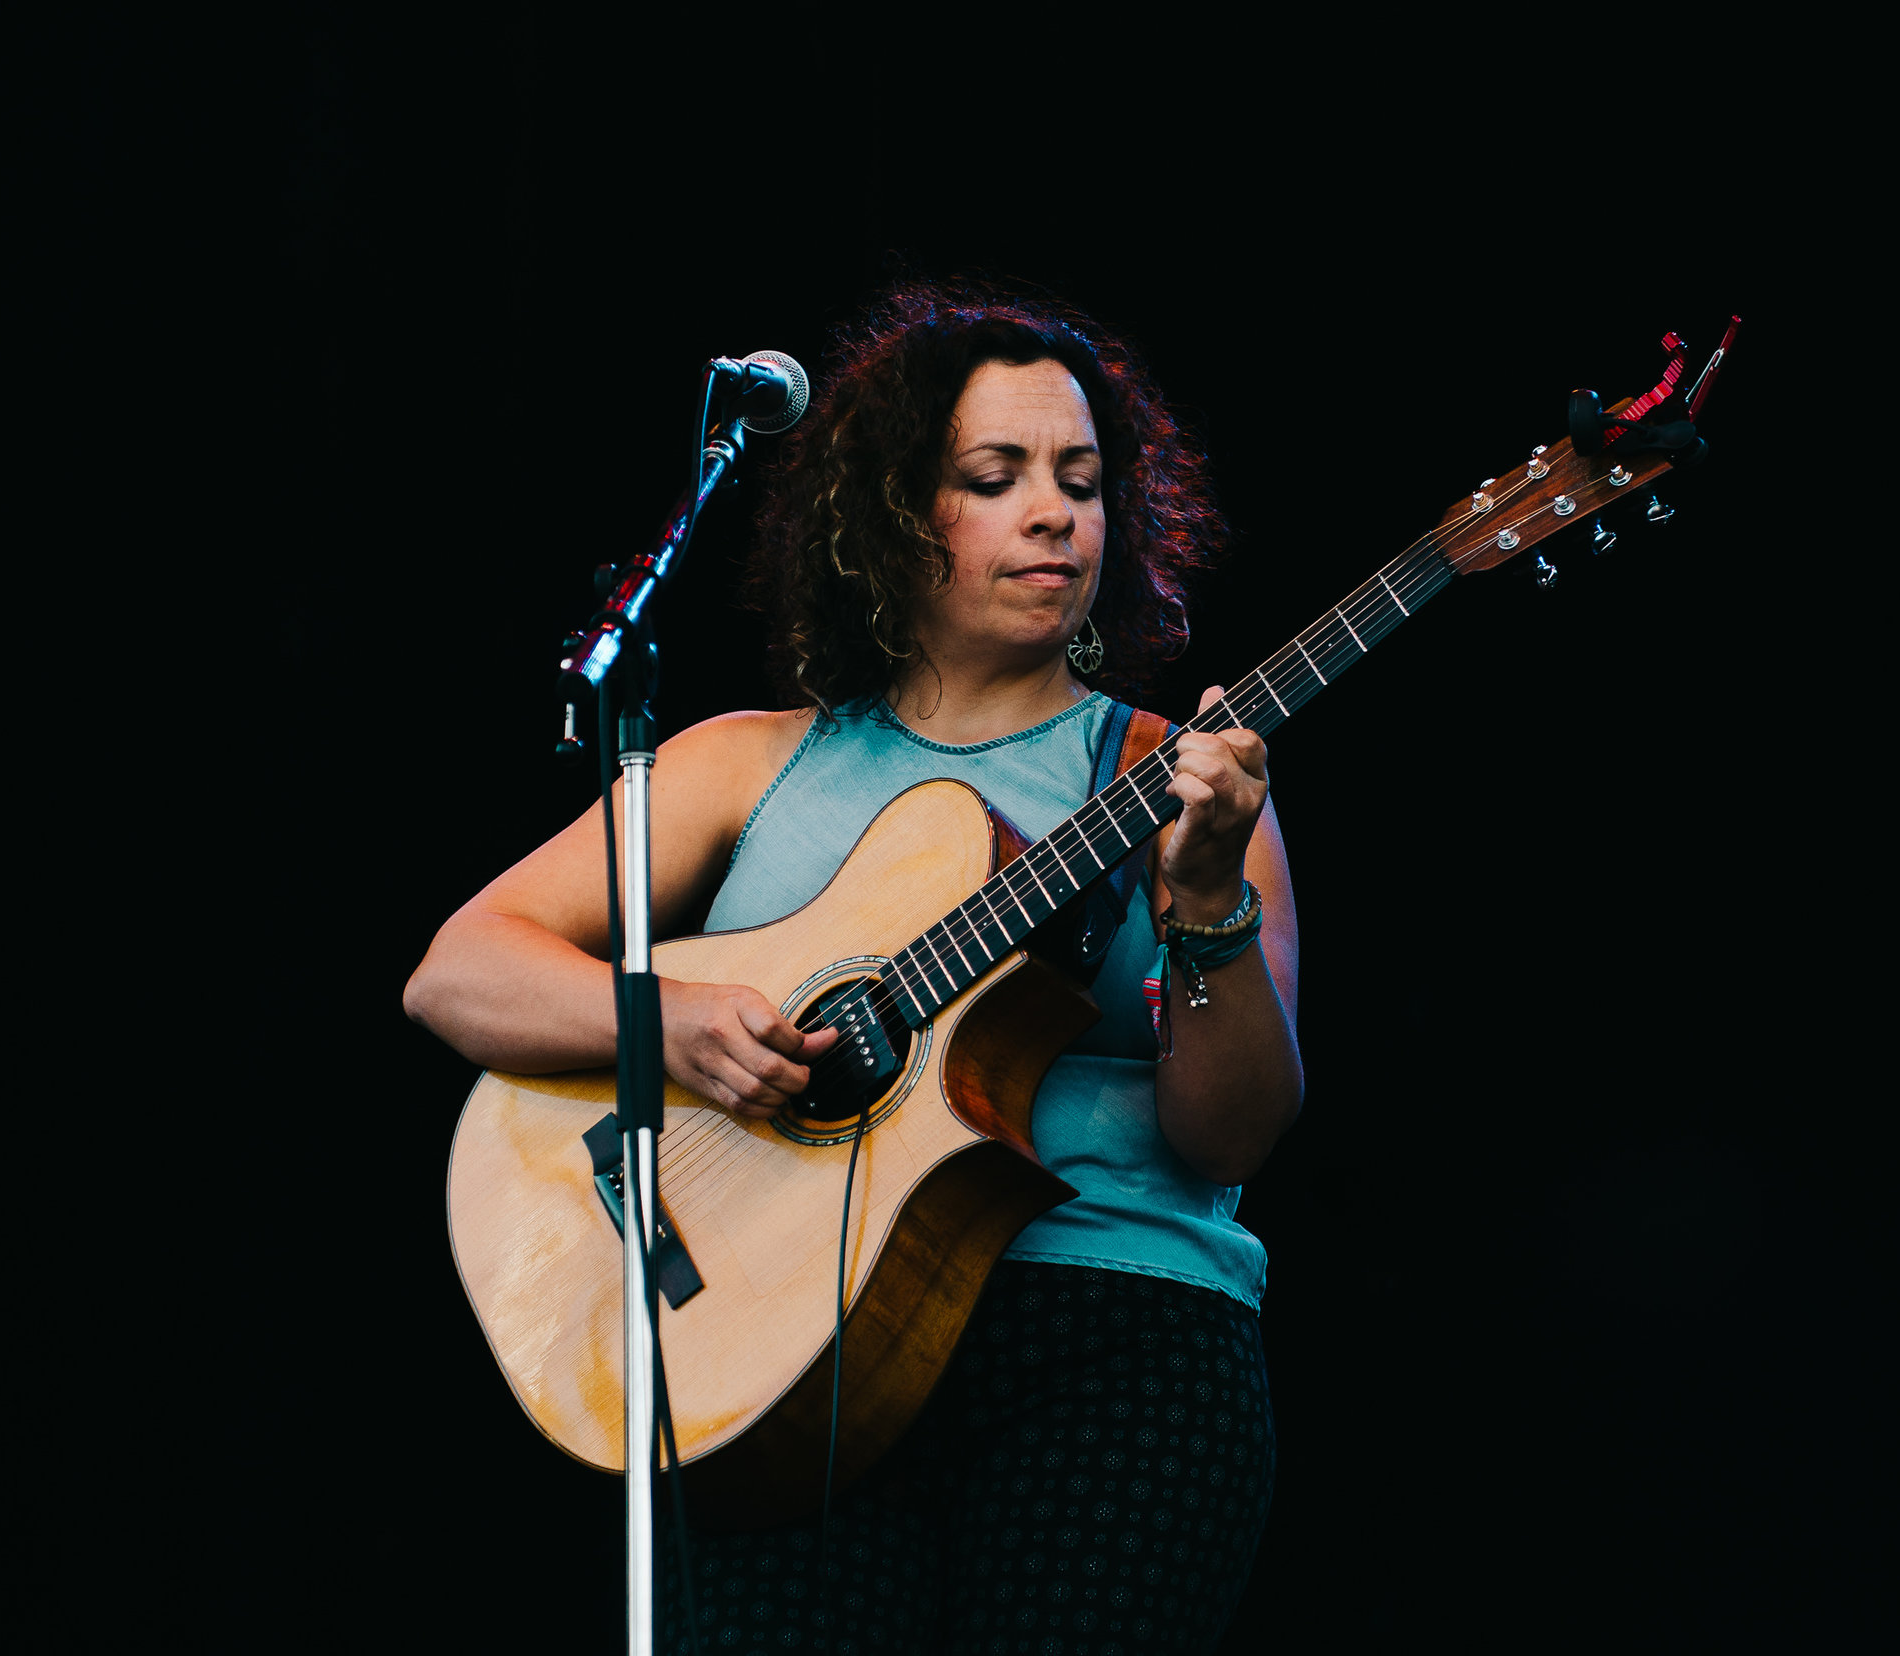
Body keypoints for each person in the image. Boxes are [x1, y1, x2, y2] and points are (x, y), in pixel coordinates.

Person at [405, 281, 1302, 1653]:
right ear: (894, 512)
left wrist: (1200, 896)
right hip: (787, 1364)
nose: (1055, 512)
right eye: (994, 478)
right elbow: (458, 971)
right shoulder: (750, 760)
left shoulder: (1169, 778)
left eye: (1080, 477)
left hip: (1116, 1343)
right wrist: (680, 1021)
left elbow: (1231, 1127)